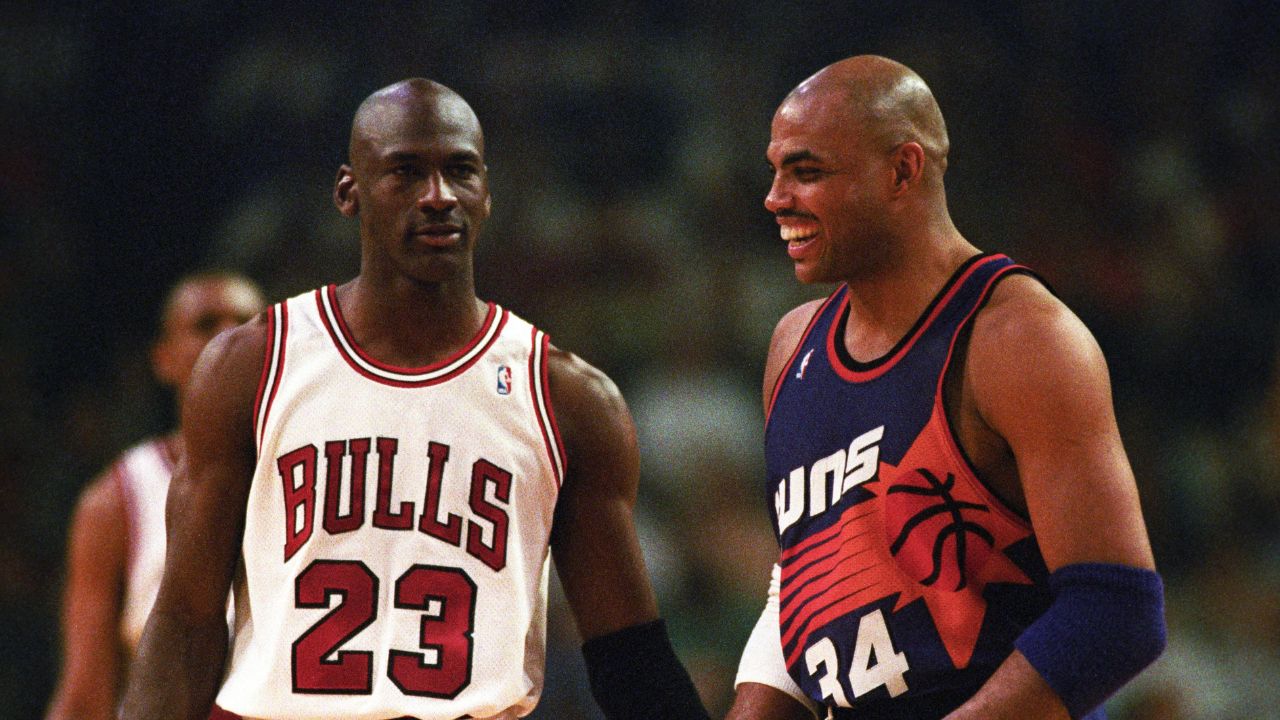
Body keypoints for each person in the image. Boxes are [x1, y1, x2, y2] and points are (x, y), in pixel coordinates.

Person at [120, 78, 708, 720]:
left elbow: (630, 658)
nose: (438, 197)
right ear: (349, 192)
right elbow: (184, 622)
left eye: (460, 171)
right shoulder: (251, 365)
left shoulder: (566, 397)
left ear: (487, 193)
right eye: (406, 172)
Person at [726, 55, 1166, 720]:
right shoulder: (793, 348)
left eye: (806, 171)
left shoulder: (1018, 337)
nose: (775, 197)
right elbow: (801, 586)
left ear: (902, 169)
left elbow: (1117, 613)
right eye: (775, 170)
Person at [44, 271, 266, 720]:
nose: (228, 336)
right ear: (164, 359)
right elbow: (86, 695)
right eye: (205, 324)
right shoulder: (115, 499)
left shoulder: (313, 465)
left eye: (245, 323)